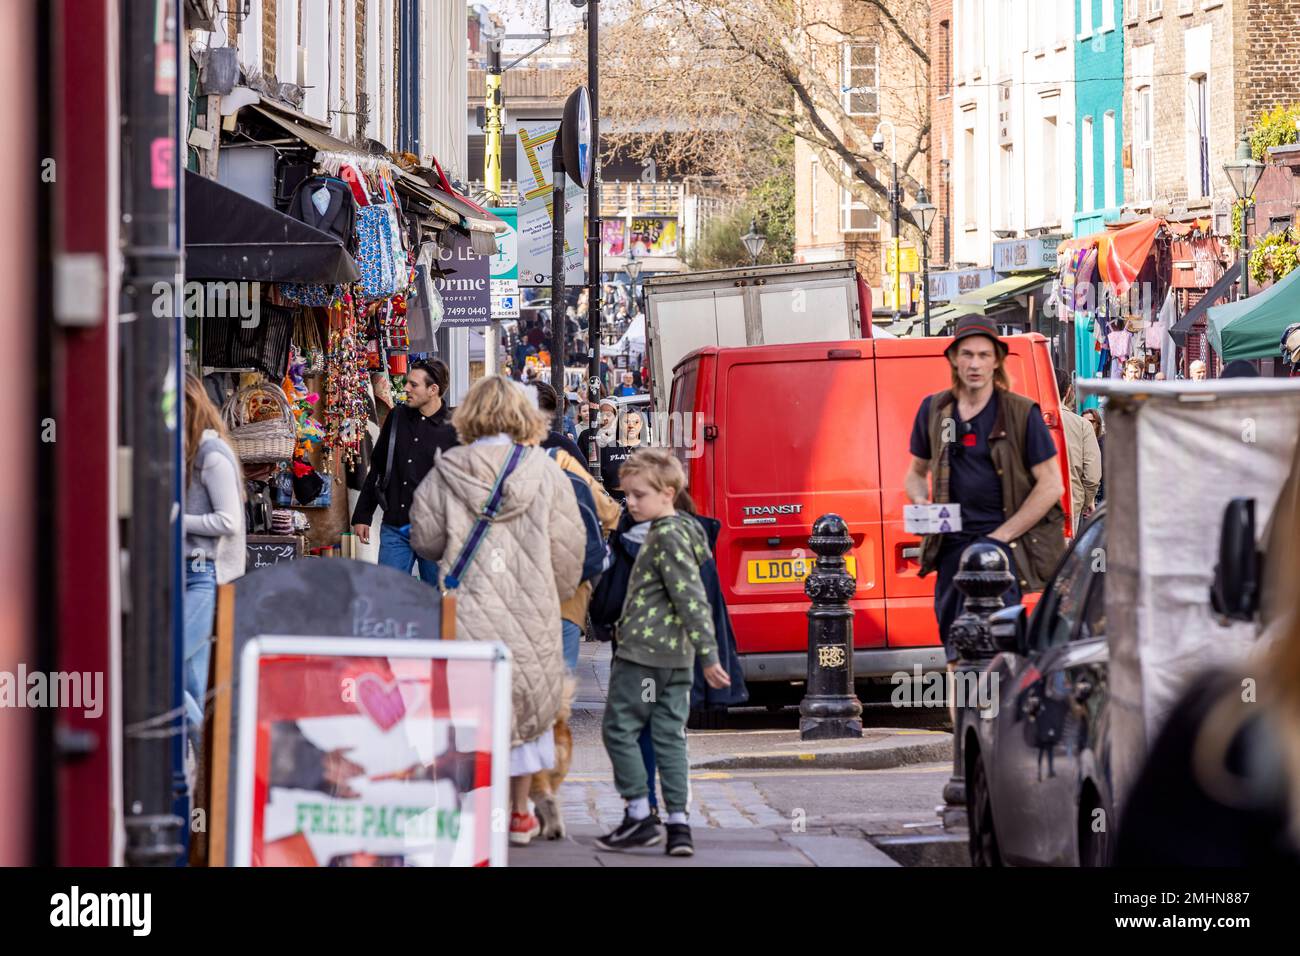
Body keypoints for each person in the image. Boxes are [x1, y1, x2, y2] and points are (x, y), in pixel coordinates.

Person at [409, 376, 585, 847]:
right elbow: (570, 555)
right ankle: (520, 813)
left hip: (467, 609)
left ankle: (475, 811)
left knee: (472, 708)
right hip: (532, 612)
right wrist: (554, 592)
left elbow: (423, 540)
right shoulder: (545, 471)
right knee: (525, 707)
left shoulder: (447, 469)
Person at [904, 315, 1066, 670]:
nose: (974, 363)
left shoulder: (1020, 413)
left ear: (996, 360)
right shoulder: (934, 410)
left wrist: (999, 538)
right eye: (967, 354)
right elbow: (915, 473)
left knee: (1000, 656)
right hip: (952, 550)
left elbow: (1052, 483)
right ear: (953, 359)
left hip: (1001, 553)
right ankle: (963, 726)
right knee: (955, 654)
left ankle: (995, 724)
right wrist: (920, 503)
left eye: (983, 354)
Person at [597, 449, 730, 857]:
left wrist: (710, 657)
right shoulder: (684, 531)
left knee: (620, 729)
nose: (630, 503)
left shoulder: (666, 536)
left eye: (638, 495)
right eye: (627, 495)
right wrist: (703, 654)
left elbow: (691, 599)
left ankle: (639, 814)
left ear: (668, 493)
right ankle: (678, 825)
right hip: (674, 659)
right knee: (669, 736)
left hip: (646, 658)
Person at [351, 359, 457, 586]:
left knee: (437, 602)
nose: (406, 388)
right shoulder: (396, 417)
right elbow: (378, 466)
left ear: (433, 389)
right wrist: (363, 515)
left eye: (414, 385)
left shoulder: (455, 429)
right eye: (407, 383)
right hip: (395, 527)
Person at [182, 373, 246, 745]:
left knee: (165, 665)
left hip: (200, 575)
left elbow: (229, 520)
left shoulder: (211, 452)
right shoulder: (190, 450)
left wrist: (176, 518)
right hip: (183, 574)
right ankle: (195, 768)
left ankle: (204, 750)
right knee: (189, 681)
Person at [1054, 367, 1101, 531]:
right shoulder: (1082, 425)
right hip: (1070, 504)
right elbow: (1092, 477)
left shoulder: (1028, 419)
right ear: (1068, 391)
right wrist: (1085, 501)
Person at [1081, 407, 1105, 507]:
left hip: (1100, 497)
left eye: (1091, 422)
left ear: (1097, 424)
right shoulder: (1079, 444)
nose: (1087, 425)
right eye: (1083, 421)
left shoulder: (1104, 442)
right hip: (1084, 497)